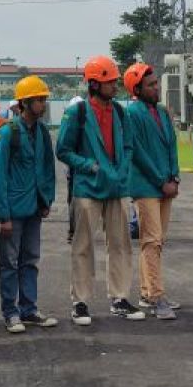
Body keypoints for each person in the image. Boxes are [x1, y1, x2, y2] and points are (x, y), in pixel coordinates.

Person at [56, 55, 144, 325]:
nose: (115, 85)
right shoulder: (78, 113)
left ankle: (119, 297)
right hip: (88, 189)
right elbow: (63, 150)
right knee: (83, 246)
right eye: (109, 81)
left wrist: (123, 169)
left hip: (116, 188)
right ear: (94, 84)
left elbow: (128, 145)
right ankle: (80, 302)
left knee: (121, 244)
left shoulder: (119, 111)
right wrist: (89, 166)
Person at [0, 75, 58, 334]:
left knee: (30, 259)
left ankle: (29, 308)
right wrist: (3, 214)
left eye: (43, 99)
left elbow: (48, 169)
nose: (43, 104)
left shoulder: (42, 133)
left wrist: (46, 199)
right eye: (39, 100)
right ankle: (10, 312)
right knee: (9, 262)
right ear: (25, 103)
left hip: (33, 209)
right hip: (13, 211)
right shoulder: (8, 134)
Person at [122, 63, 181, 321]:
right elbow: (137, 152)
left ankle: (147, 294)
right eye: (151, 85)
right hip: (146, 186)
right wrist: (161, 180)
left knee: (157, 242)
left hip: (166, 184)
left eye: (156, 83)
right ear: (136, 89)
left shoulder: (161, 112)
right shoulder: (132, 114)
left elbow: (172, 146)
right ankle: (157, 297)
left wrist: (175, 176)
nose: (157, 88)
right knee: (152, 240)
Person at [64, 96, 84, 244]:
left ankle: (74, 232)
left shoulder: (73, 123)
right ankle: (73, 232)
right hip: (75, 170)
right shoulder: (78, 125)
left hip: (78, 170)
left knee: (75, 201)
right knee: (74, 202)